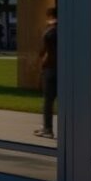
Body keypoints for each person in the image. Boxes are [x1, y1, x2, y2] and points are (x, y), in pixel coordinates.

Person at [35, 7, 58, 139]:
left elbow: (44, 50)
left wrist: (40, 64)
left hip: (50, 68)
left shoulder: (50, 31)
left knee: (48, 100)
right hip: (64, 68)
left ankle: (47, 129)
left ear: (50, 16)